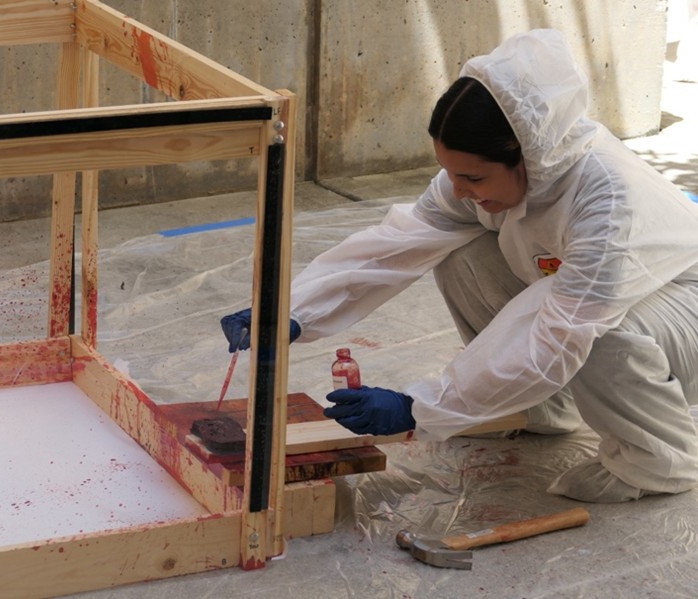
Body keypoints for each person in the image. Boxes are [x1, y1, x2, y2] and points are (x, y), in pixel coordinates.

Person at [221, 29, 698, 503]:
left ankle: (657, 458)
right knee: (460, 254)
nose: (459, 188)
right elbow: (397, 245)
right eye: (450, 172)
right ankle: (541, 410)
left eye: (472, 176)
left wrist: (421, 407)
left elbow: (560, 332)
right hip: (598, 296)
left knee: (596, 334)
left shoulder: (606, 201)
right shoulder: (476, 181)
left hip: (682, 301)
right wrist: (292, 311)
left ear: (529, 157)